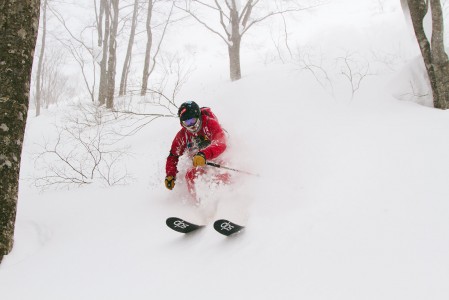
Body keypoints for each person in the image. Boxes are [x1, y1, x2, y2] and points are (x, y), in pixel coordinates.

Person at [165, 101, 230, 201]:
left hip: (219, 157)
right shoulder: (183, 135)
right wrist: (170, 175)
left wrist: (204, 154)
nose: (191, 126)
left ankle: (227, 199)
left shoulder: (210, 123)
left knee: (222, 173)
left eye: (193, 121)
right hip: (199, 161)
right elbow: (173, 155)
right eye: (186, 123)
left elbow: (221, 143)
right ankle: (198, 204)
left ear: (198, 117)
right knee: (190, 175)